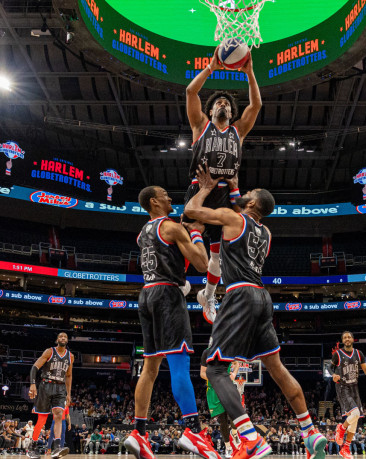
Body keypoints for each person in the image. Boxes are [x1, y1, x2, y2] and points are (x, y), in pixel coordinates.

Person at [183, 166, 327, 459]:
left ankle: (250, 438)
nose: (242, 193)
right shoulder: (266, 231)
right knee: (276, 367)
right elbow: (241, 208)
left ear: (251, 203)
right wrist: (235, 188)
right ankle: (310, 432)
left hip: (240, 295)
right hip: (263, 297)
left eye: (247, 193)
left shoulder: (231, 218)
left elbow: (191, 210)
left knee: (214, 368)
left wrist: (207, 187)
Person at [124, 186, 219, 459]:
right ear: (154, 202)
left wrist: (187, 225)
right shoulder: (170, 228)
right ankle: (193, 431)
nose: (170, 197)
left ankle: (139, 433)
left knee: (150, 369)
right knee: (180, 363)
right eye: (165, 194)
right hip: (167, 295)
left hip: (146, 295)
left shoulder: (143, 232)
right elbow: (202, 263)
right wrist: (197, 232)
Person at [184, 47, 262, 324]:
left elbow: (256, 106)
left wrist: (250, 72)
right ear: (211, 109)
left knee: (218, 255)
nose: (222, 105)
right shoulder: (200, 126)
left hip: (224, 195)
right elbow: (191, 93)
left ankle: (209, 294)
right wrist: (211, 68)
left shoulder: (237, 132)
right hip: (200, 186)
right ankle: (181, 277)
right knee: (193, 232)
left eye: (226, 104)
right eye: (218, 103)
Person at [27, 332, 74, 459]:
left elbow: (68, 376)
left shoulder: (71, 356)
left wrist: (68, 394)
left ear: (67, 341)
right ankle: (33, 446)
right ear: (57, 340)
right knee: (42, 420)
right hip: (46, 385)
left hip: (60, 387)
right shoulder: (49, 351)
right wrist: (32, 384)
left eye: (65, 337)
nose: (63, 338)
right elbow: (35, 367)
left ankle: (57, 447)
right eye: (61, 336)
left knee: (59, 414)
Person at [332, 331, 366, 459]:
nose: (347, 339)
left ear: (353, 339)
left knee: (355, 420)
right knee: (355, 414)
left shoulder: (358, 353)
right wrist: (333, 375)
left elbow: (365, 369)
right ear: (342, 341)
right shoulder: (338, 354)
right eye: (345, 337)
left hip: (354, 387)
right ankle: (341, 428)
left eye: (349, 337)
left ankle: (345, 448)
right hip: (343, 387)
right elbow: (329, 367)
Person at [200, 349, 242, 458]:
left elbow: (237, 363)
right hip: (213, 389)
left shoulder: (227, 349)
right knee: (223, 420)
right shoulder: (207, 353)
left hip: (227, 385)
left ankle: (234, 432)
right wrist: (216, 379)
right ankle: (228, 447)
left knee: (234, 414)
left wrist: (234, 374)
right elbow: (202, 373)